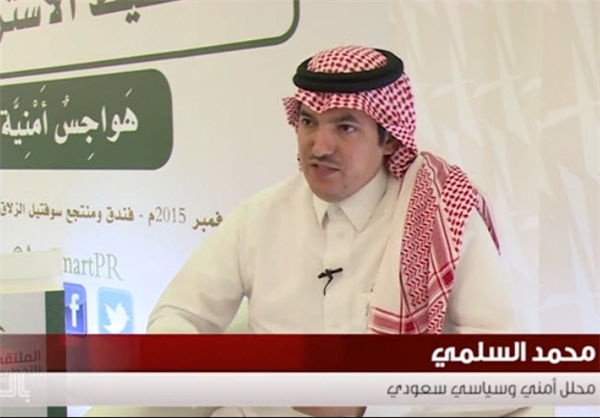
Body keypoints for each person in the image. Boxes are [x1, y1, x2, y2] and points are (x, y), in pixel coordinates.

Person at [146, 45, 550, 417]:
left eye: (345, 127)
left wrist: (368, 405)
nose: (319, 146)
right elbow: (176, 316)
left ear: (389, 139)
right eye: (308, 122)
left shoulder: (441, 219)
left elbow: (508, 366)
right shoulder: (258, 217)